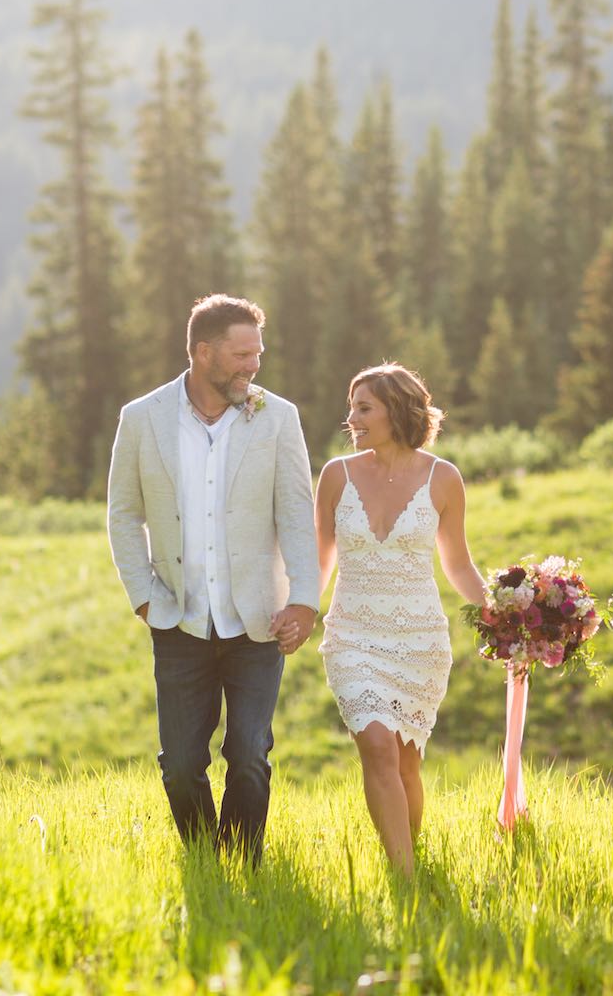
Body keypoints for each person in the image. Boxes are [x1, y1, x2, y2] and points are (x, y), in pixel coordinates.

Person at [107, 294, 319, 862]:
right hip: (177, 620)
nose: (255, 364)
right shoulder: (142, 418)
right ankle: (205, 864)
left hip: (258, 620)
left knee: (249, 754)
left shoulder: (278, 417)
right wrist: (143, 597)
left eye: (258, 353)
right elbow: (123, 515)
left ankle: (244, 863)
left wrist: (303, 600)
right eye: (242, 354)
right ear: (203, 352)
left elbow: (297, 513)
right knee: (180, 765)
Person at [316, 363, 486, 876]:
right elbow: (319, 559)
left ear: (397, 410)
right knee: (376, 745)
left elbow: (458, 564)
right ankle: (405, 878)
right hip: (352, 635)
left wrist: (501, 611)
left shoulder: (443, 478)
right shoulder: (336, 475)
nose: (352, 419)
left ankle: (410, 862)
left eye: (364, 408)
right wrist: (293, 609)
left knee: (407, 763)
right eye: (352, 408)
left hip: (419, 641)